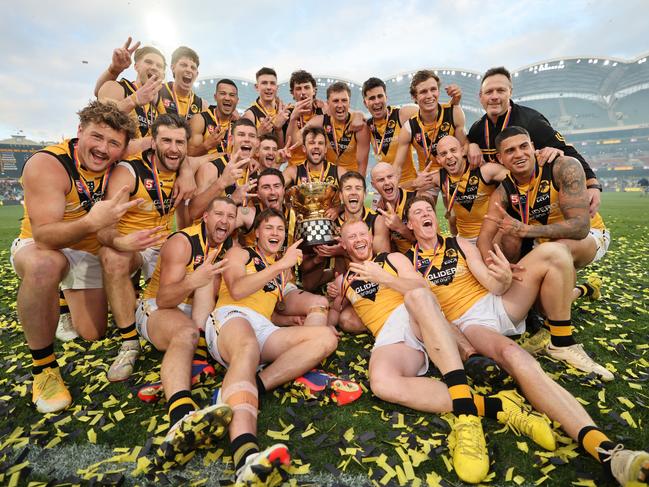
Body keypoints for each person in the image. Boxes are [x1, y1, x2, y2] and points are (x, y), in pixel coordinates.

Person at [404, 196, 648, 486]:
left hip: (496, 302)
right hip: (471, 323)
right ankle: (608, 452)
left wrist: (504, 279)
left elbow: (491, 283)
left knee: (556, 253)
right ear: (410, 224)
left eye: (428, 210)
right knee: (514, 354)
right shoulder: (407, 260)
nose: (425, 214)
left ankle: (562, 339)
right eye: (417, 212)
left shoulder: (457, 242)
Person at [329, 219, 555, 484]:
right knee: (381, 383)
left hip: (415, 316)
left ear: (369, 236)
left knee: (419, 297)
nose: (358, 239)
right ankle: (498, 406)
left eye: (361, 233)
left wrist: (383, 278)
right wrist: (326, 320)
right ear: (343, 244)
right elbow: (335, 311)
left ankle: (466, 407)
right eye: (351, 236)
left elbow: (420, 287)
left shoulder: (391, 260)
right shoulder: (343, 280)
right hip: (389, 335)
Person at [11, 101, 137, 413]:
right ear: (79, 132)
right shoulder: (48, 163)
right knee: (45, 266)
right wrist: (92, 222)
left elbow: (161, 143)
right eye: (97, 137)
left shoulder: (119, 162)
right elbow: (44, 236)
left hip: (87, 251)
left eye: (113, 143)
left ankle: (66, 299)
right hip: (43, 246)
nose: (103, 148)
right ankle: (44, 369)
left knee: (93, 333)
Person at [207, 209, 339, 484]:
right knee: (247, 348)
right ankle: (245, 456)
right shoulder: (240, 253)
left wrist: (289, 318)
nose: (276, 233)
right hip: (231, 317)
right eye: (269, 228)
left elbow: (268, 308)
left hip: (263, 327)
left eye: (280, 229)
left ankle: (250, 385)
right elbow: (239, 290)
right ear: (257, 232)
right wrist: (280, 266)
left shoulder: (281, 268)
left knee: (327, 337)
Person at [477, 126, 612, 367]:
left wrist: (526, 230)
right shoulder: (503, 190)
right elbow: (484, 237)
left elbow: (580, 227)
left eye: (523, 146)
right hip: (544, 244)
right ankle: (584, 290)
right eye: (509, 151)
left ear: (532, 146)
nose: (518, 154)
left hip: (586, 238)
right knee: (543, 303)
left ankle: (561, 342)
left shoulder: (563, 166)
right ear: (500, 158)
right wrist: (494, 269)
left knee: (559, 249)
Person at [137, 197, 236, 466]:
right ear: (205, 216)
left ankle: (196, 359)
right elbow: (165, 297)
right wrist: (196, 278)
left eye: (230, 216)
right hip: (160, 308)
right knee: (185, 334)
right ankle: (180, 415)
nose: (224, 221)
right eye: (218, 214)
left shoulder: (231, 246)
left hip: (198, 313)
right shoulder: (182, 242)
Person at [98, 114, 190, 382]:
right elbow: (103, 230)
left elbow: (204, 160)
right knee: (111, 256)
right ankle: (129, 342)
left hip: (165, 245)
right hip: (132, 246)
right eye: (167, 141)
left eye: (180, 142)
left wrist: (188, 172)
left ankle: (139, 304)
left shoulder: (185, 164)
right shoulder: (128, 171)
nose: (174, 148)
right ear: (153, 142)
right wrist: (120, 242)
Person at [467, 66, 602, 215]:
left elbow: (566, 150)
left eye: (500, 90)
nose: (494, 96)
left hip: (539, 201)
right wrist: (470, 144)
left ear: (510, 93)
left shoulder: (531, 120)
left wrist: (592, 185)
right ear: (480, 96)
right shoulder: (477, 129)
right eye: (489, 92)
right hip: (505, 201)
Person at [393, 70, 466, 179]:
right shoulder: (409, 128)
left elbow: (465, 149)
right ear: (414, 97)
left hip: (454, 172)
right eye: (423, 92)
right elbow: (397, 167)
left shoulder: (453, 112)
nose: (429, 95)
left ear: (438, 91)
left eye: (433, 89)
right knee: (422, 195)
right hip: (428, 177)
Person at [189, 118, 260, 221]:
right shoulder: (212, 168)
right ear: (231, 140)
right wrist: (230, 197)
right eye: (241, 134)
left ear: (257, 143)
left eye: (252, 136)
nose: (247, 139)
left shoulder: (255, 171)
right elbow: (193, 213)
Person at [300, 82, 371, 176]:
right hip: (329, 177)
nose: (340, 105)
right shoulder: (321, 121)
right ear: (328, 103)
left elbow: (362, 163)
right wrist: (293, 118)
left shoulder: (359, 125)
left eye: (344, 100)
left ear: (349, 102)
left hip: (350, 178)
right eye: (336, 101)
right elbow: (298, 136)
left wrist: (361, 187)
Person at [370, 163, 417, 253]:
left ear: (397, 177)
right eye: (381, 180)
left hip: (425, 259)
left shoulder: (416, 200)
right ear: (373, 185)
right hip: (399, 261)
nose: (387, 182)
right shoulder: (377, 210)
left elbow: (429, 244)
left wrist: (400, 228)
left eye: (390, 177)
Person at [188, 79, 240, 157]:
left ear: (237, 100)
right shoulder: (200, 120)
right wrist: (206, 145)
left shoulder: (239, 124)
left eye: (232, 95)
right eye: (223, 93)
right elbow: (188, 156)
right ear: (215, 97)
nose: (227, 98)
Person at [156, 46, 208, 120]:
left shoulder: (202, 105)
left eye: (193, 68)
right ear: (173, 68)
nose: (188, 70)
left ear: (197, 74)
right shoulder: (157, 91)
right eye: (184, 65)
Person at [243, 67, 289, 143]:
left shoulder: (286, 111)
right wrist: (258, 134)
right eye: (264, 83)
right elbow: (244, 145)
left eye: (272, 83)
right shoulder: (250, 115)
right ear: (257, 87)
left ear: (277, 88)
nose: (268, 87)